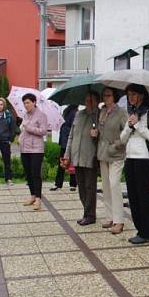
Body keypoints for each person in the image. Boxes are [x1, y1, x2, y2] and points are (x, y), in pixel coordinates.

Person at [120, 84, 149, 244]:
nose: (131, 97)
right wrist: (130, 126)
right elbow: (122, 138)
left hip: (143, 159)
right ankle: (139, 230)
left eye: (134, 94)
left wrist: (138, 126)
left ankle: (147, 232)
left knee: (143, 196)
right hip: (130, 158)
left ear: (142, 95)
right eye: (128, 94)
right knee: (133, 196)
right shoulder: (131, 114)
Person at [65, 91, 99, 225]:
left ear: (96, 101)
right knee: (81, 187)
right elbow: (71, 136)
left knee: (90, 187)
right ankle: (86, 211)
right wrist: (67, 154)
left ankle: (90, 215)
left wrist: (97, 134)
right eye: (86, 100)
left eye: (91, 100)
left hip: (90, 156)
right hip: (77, 156)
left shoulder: (98, 115)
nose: (88, 103)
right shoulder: (79, 114)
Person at [95, 88, 127, 234]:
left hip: (116, 154)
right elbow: (100, 131)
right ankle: (110, 217)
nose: (106, 98)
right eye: (104, 95)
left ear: (115, 97)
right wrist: (95, 133)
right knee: (106, 187)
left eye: (108, 95)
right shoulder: (101, 112)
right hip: (103, 154)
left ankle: (119, 220)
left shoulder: (121, 112)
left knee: (114, 185)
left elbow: (126, 133)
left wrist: (117, 144)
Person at [19, 93, 48, 211]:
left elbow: (43, 131)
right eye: (24, 103)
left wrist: (28, 127)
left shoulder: (41, 115)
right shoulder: (25, 115)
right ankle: (32, 195)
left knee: (36, 173)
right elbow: (24, 130)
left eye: (28, 102)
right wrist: (21, 138)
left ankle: (38, 198)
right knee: (28, 173)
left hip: (36, 149)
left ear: (34, 102)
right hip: (24, 148)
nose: (26, 105)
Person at [51, 104, 78, 191]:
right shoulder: (66, 111)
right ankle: (59, 183)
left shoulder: (75, 113)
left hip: (70, 141)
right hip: (64, 140)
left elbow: (73, 128)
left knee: (70, 162)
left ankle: (72, 183)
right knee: (62, 162)